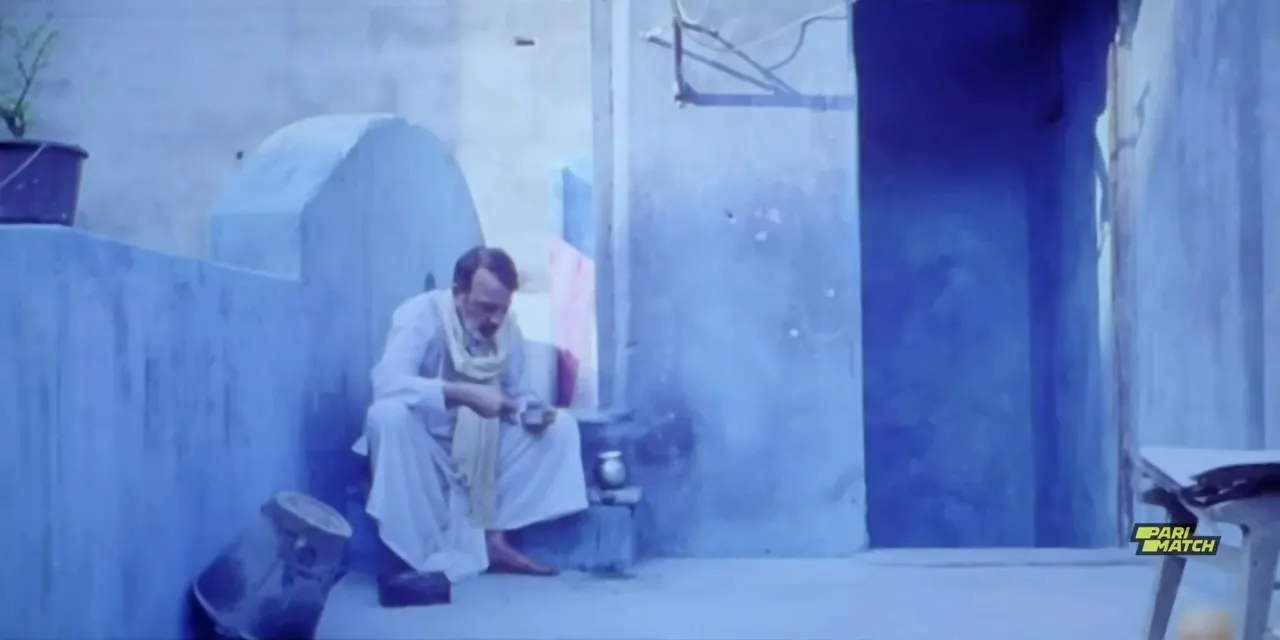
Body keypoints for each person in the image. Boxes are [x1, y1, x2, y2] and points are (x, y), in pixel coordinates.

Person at [352, 246, 588, 607]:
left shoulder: (507, 331)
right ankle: (411, 556)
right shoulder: (420, 315)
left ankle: (495, 540)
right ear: (458, 292)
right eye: (486, 307)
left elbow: (518, 394)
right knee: (386, 415)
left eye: (503, 308)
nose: (495, 319)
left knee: (562, 430)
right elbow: (386, 383)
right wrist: (461, 394)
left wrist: (530, 412)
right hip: (422, 449)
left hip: (483, 452)